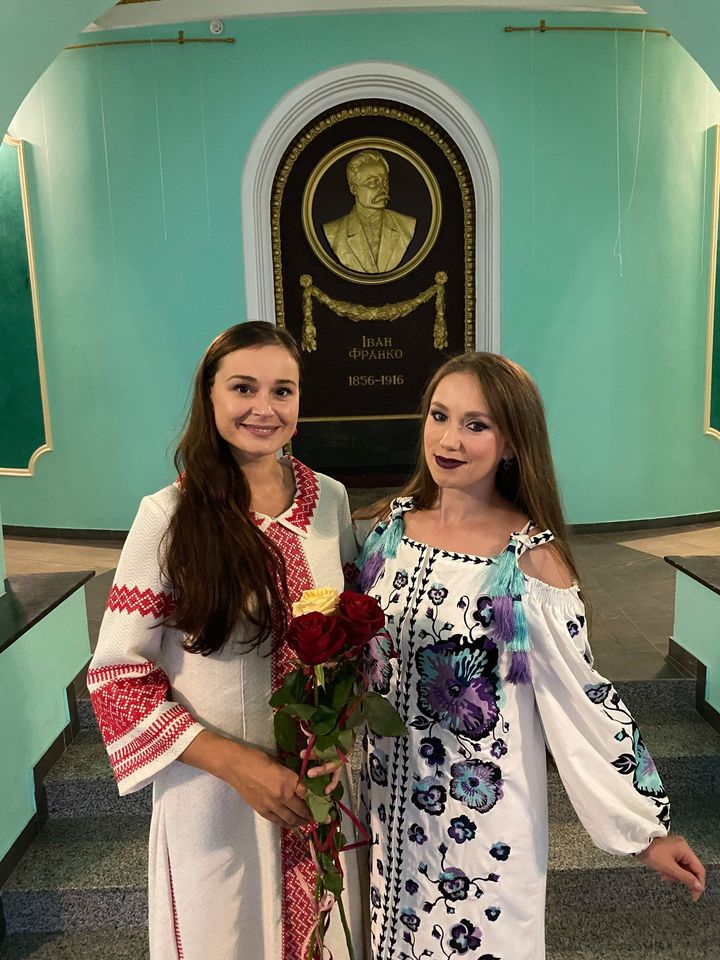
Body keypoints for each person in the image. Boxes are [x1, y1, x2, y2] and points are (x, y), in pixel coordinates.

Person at [352, 351, 705, 960]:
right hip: (383, 801)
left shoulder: (529, 562)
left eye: (476, 425)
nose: (449, 440)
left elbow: (583, 699)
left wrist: (645, 829)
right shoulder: (387, 531)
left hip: (476, 820)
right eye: (439, 416)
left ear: (513, 443)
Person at [88, 322, 365, 960]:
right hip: (217, 799)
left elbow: (349, 637)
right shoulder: (168, 517)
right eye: (243, 388)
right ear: (208, 396)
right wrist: (240, 767)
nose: (264, 408)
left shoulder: (330, 500)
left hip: (317, 790)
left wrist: (340, 737)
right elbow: (117, 677)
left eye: (283, 391)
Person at [323, 149, 416, 274]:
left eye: (385, 181)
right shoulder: (333, 232)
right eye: (372, 183)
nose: (383, 188)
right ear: (354, 188)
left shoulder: (407, 225)